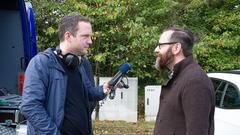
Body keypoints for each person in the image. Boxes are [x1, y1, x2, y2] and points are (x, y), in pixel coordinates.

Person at [20, 14, 110, 135]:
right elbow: (30, 106)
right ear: (68, 36)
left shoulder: (80, 63)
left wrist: (103, 89)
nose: (90, 41)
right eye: (85, 36)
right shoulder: (42, 63)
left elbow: (88, 93)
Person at [153, 27, 215, 135]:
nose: (156, 50)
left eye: (160, 45)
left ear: (176, 48)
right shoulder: (179, 76)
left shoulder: (195, 81)